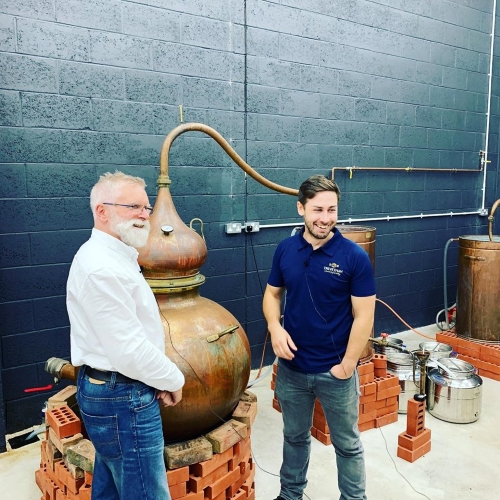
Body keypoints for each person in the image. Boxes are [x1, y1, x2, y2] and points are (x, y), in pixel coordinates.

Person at [67, 171, 185, 500]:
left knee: (111, 487)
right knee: (147, 493)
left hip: (113, 392)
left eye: (145, 208)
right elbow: (128, 350)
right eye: (133, 206)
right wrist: (173, 379)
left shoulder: (115, 258)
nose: (144, 215)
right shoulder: (101, 267)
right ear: (102, 211)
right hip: (122, 398)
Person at [263, 174, 376, 500]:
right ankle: (290, 495)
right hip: (292, 370)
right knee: (294, 438)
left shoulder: (354, 256)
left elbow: (364, 316)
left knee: (347, 444)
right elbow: (272, 295)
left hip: (335, 372)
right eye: (317, 210)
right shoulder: (285, 250)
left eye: (332, 210)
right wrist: (274, 326)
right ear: (301, 208)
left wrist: (347, 365)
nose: (325, 218)